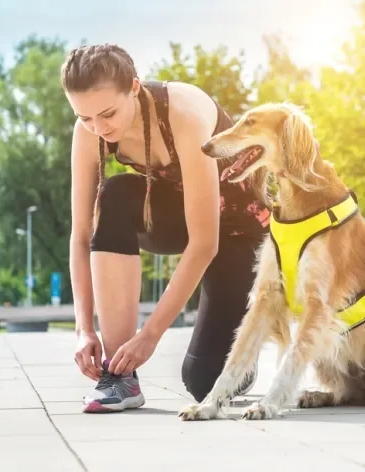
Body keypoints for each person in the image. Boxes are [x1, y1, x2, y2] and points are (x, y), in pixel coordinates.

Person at [60, 43, 271, 413]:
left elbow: (206, 243)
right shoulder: (88, 131)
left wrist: (150, 336)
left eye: (107, 113)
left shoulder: (183, 113)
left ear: (135, 89)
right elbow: (80, 237)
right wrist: (83, 330)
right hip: (172, 217)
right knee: (115, 195)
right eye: (86, 117)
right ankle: (120, 378)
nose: (99, 127)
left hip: (237, 230)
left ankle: (246, 345)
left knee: (204, 380)